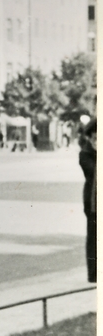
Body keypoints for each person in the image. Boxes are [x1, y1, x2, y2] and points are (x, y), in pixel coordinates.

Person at [78, 118, 96, 283]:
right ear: (90, 138)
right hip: (93, 202)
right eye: (95, 138)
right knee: (93, 237)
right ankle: (93, 274)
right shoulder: (85, 154)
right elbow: (93, 172)